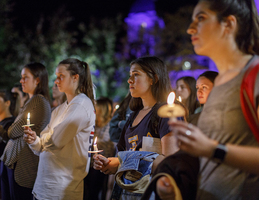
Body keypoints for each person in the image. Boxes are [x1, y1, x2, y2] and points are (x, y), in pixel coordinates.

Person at [155, 0, 259, 199]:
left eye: (201, 18)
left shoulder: (254, 75)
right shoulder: (219, 83)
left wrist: (213, 149)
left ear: (228, 24)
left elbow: (214, 151)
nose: (190, 29)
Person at [93, 56, 179, 199]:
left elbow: (169, 162)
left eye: (136, 75)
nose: (130, 80)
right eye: (130, 75)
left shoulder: (165, 113)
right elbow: (122, 156)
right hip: (127, 192)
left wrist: (123, 162)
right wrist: (108, 163)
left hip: (151, 192)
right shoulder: (133, 116)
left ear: (153, 79)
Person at [23, 58, 95, 200]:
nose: (56, 81)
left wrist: (45, 139)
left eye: (61, 76)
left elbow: (56, 140)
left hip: (61, 190)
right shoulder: (60, 109)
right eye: (56, 77)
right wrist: (34, 140)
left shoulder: (81, 105)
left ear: (75, 78)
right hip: (43, 188)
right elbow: (41, 145)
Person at [0, 63, 51, 200]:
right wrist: (0, 130)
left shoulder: (38, 101)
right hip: (13, 163)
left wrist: (8, 131)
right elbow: (13, 134)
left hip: (22, 168)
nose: (21, 81)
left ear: (37, 80)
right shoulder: (30, 101)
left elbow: (14, 131)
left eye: (25, 77)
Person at [84, 97, 115, 200]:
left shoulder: (110, 125)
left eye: (96, 107)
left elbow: (106, 145)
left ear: (102, 109)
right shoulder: (94, 123)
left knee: (95, 190)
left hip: (102, 163)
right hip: (89, 162)